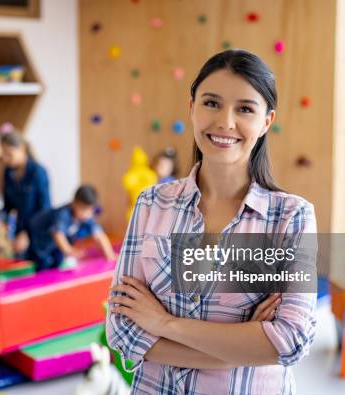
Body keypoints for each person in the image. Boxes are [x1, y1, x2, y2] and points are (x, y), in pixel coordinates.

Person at [106, 49, 318, 394]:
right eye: (211, 103)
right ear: (191, 107)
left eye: (245, 109)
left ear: (267, 121)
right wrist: (243, 347)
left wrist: (164, 324)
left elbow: (291, 342)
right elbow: (122, 329)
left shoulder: (292, 218)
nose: (225, 122)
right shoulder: (151, 203)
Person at [27, 185, 117, 271]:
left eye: (90, 209)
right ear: (74, 203)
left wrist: (110, 254)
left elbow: (99, 235)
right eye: (83, 208)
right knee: (43, 264)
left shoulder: (86, 217)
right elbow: (58, 235)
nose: (86, 214)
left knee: (57, 262)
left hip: (54, 245)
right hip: (38, 238)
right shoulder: (63, 214)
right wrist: (70, 251)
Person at [0, 131, 51, 255]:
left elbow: (45, 209)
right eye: (3, 154)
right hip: (19, 229)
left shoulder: (38, 172)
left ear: (22, 148)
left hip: (38, 231)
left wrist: (27, 233)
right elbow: (8, 206)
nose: (5, 159)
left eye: (9, 154)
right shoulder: (8, 173)